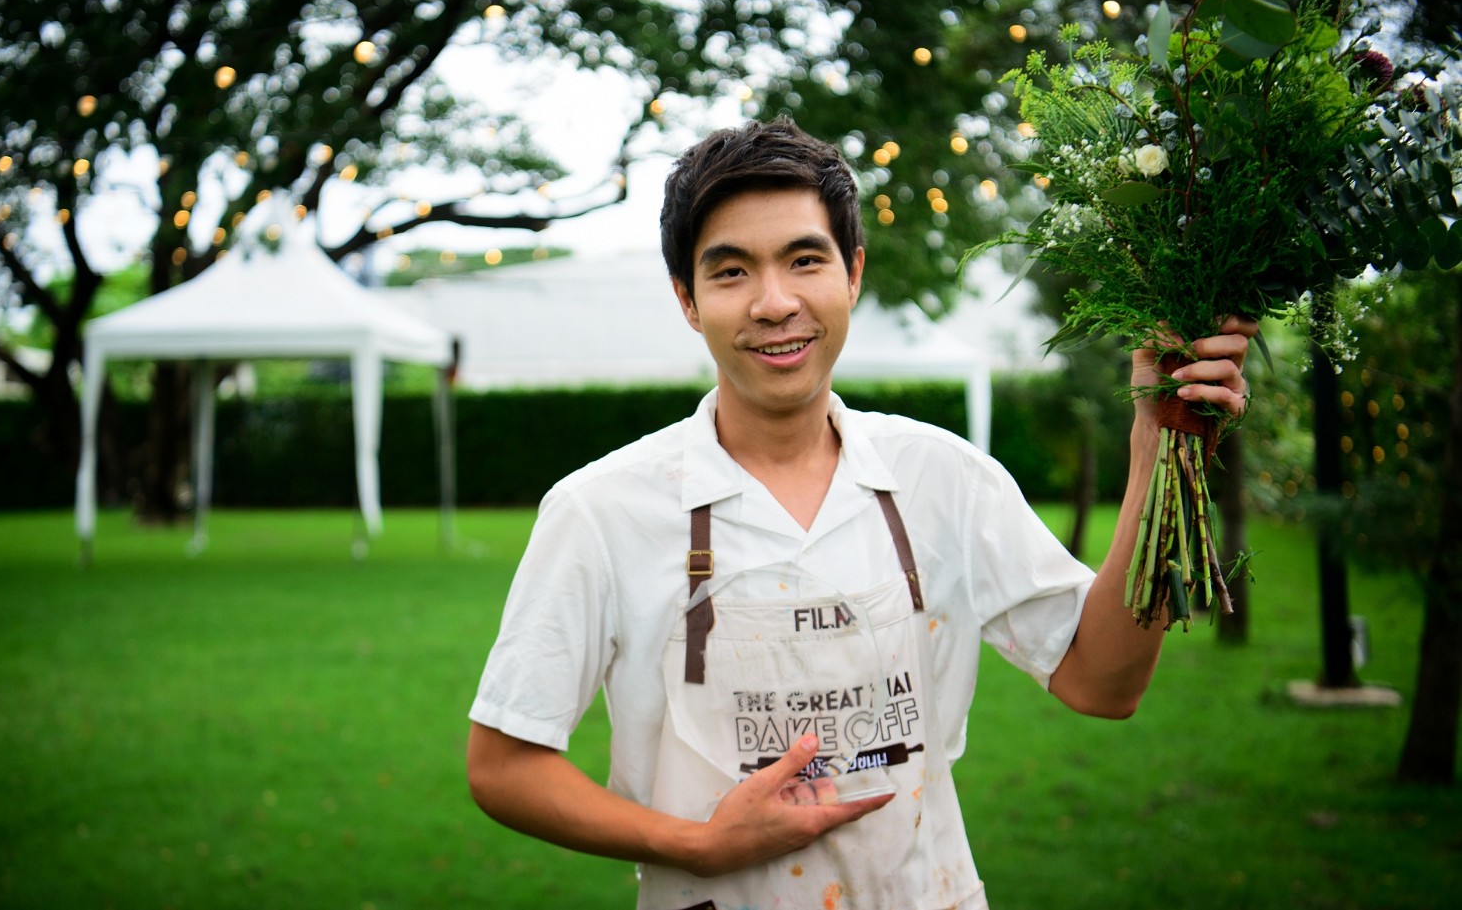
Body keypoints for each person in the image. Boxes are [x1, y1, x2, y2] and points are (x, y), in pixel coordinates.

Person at [466, 118, 1253, 910]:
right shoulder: (601, 510)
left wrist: (1157, 442)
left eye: (804, 260)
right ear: (687, 299)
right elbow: (503, 763)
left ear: (853, 274)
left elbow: (1102, 680)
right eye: (731, 271)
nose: (775, 304)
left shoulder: (942, 476)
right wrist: (699, 845)